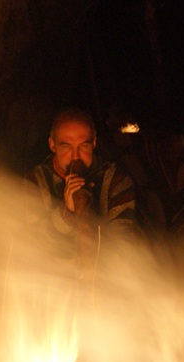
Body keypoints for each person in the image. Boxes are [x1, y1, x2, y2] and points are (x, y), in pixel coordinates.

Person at [26, 108, 139, 267]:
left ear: (93, 143)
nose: (75, 156)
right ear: (52, 145)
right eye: (66, 146)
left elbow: (124, 241)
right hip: (51, 279)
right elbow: (33, 244)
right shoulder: (35, 182)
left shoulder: (117, 181)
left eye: (83, 146)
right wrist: (67, 212)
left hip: (102, 279)